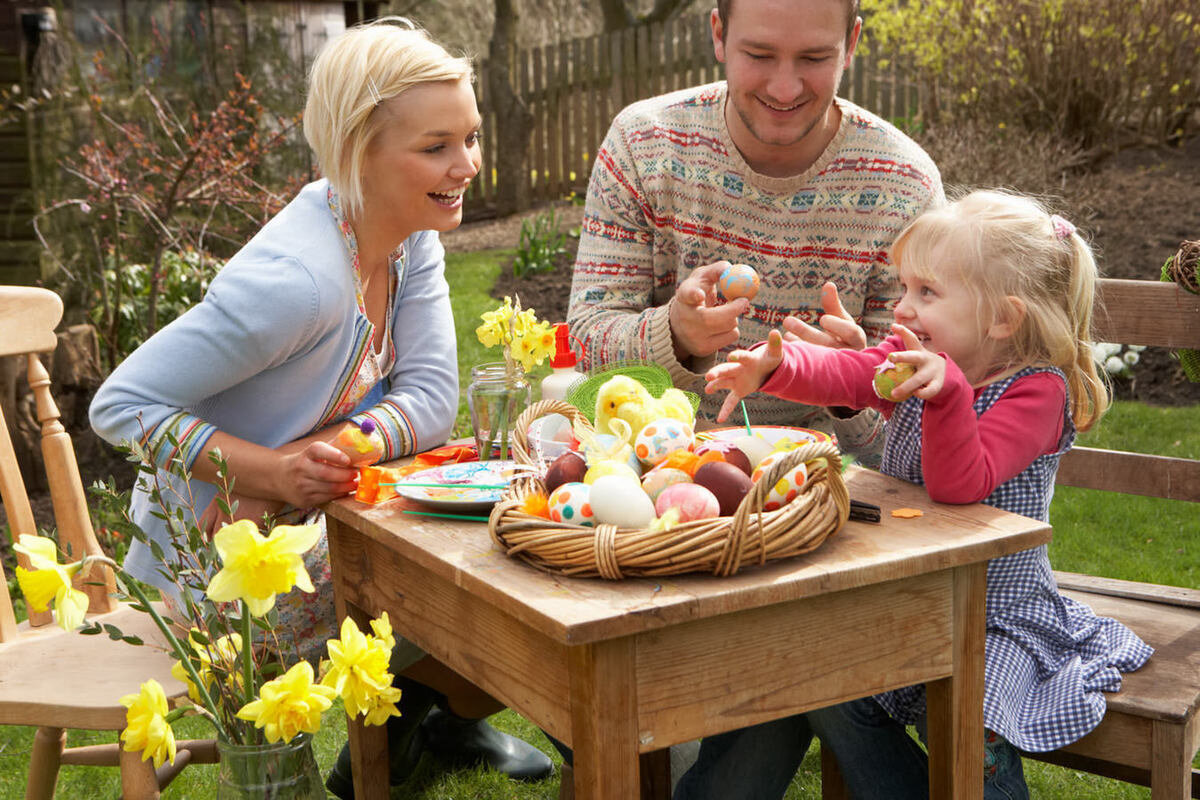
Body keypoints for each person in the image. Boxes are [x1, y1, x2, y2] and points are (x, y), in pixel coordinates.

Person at [88, 17, 552, 799]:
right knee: (481, 580)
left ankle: (435, 724)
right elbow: (120, 405)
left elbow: (433, 401)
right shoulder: (296, 281)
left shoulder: (410, 234)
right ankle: (426, 723)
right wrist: (268, 471)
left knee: (497, 536)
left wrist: (334, 447)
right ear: (357, 149)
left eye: (470, 138)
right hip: (210, 568)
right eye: (437, 146)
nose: (467, 164)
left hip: (302, 526)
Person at [697, 189, 1153, 799]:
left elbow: (961, 485)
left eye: (927, 293)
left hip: (992, 613)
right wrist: (773, 367)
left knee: (967, 714)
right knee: (835, 691)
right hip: (906, 587)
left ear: (1002, 318)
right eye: (905, 289)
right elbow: (852, 372)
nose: (903, 309)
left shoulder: (1037, 392)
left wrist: (948, 397)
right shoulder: (921, 355)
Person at [566, 0, 943, 461]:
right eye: (760, 55)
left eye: (814, 58)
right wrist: (674, 335)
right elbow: (584, 347)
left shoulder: (904, 187)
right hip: (653, 479)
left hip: (828, 495)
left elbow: (919, 440)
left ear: (851, 45)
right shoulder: (643, 146)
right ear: (719, 34)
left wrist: (849, 386)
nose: (784, 89)